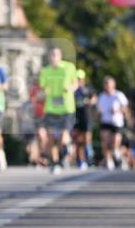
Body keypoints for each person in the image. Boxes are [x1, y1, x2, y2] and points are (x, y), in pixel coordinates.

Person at [38, 46, 77, 174]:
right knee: (50, 138)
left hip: (66, 108)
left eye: (56, 55)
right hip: (51, 109)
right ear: (49, 58)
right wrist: (44, 91)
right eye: (51, 55)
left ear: (60, 56)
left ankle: (63, 153)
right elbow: (42, 87)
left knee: (63, 138)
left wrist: (70, 88)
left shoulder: (69, 67)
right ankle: (55, 162)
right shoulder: (46, 71)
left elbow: (75, 83)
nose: (54, 58)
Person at [97, 75, 130, 170]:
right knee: (105, 141)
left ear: (113, 85)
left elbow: (126, 107)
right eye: (106, 84)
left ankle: (117, 154)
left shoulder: (118, 95)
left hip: (117, 122)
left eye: (109, 84)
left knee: (115, 141)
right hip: (105, 121)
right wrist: (98, 114)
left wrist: (118, 109)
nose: (107, 86)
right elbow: (98, 110)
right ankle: (109, 160)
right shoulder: (101, 96)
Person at [72, 69, 96, 170]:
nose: (79, 80)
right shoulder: (73, 90)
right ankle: (81, 161)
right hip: (75, 117)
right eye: (77, 78)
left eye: (80, 78)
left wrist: (90, 101)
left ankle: (90, 158)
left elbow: (94, 98)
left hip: (86, 116)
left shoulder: (88, 88)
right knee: (78, 140)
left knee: (87, 139)